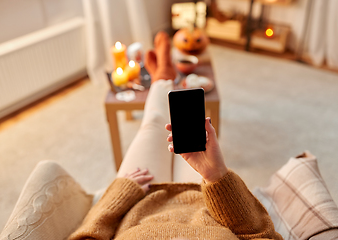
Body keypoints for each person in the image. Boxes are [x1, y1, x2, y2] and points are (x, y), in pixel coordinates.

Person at [68, 32, 283, 240]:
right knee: (170, 127)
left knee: (153, 122)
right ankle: (163, 73)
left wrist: (119, 197)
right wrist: (217, 176)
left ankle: (161, 75)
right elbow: (261, 235)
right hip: (207, 200)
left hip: (142, 199)